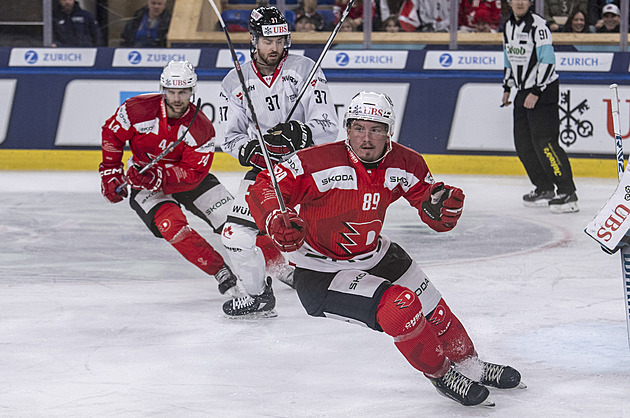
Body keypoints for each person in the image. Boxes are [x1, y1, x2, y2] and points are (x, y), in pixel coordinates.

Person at [245, 91, 525, 407]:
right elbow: (265, 185)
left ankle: (469, 365)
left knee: (436, 312)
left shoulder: (406, 162)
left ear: (389, 132)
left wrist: (440, 207)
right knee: (401, 308)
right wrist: (274, 218)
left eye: (376, 129)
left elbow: (428, 203)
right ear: (346, 128)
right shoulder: (315, 162)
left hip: (377, 254)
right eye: (358, 127)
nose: (367, 138)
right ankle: (443, 374)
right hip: (321, 270)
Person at [218, 7, 339, 317]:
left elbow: (328, 123)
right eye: (268, 42)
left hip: (308, 169)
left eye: (281, 40)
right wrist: (253, 151)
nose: (275, 48)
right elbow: (229, 137)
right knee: (234, 237)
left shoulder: (305, 69)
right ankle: (259, 295)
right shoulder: (234, 82)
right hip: (265, 172)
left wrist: (301, 132)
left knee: (322, 240)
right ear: (253, 40)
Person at [99, 61, 243, 300]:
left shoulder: (201, 128)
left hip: (188, 181)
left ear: (192, 91)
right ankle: (220, 272)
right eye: (172, 92)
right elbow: (112, 133)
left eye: (183, 92)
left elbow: (193, 173)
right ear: (163, 89)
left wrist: (159, 177)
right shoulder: (137, 109)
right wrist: (111, 171)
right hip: (144, 183)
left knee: (234, 220)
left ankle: (280, 266)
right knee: (172, 227)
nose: (177, 98)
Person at [502, 0, 579, 213]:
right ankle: (544, 188)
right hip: (522, 91)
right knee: (524, 145)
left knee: (546, 144)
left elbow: (547, 60)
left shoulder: (538, 26)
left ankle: (567, 192)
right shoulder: (508, 26)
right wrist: (507, 87)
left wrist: (536, 91)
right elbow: (509, 59)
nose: (519, 2)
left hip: (543, 92)